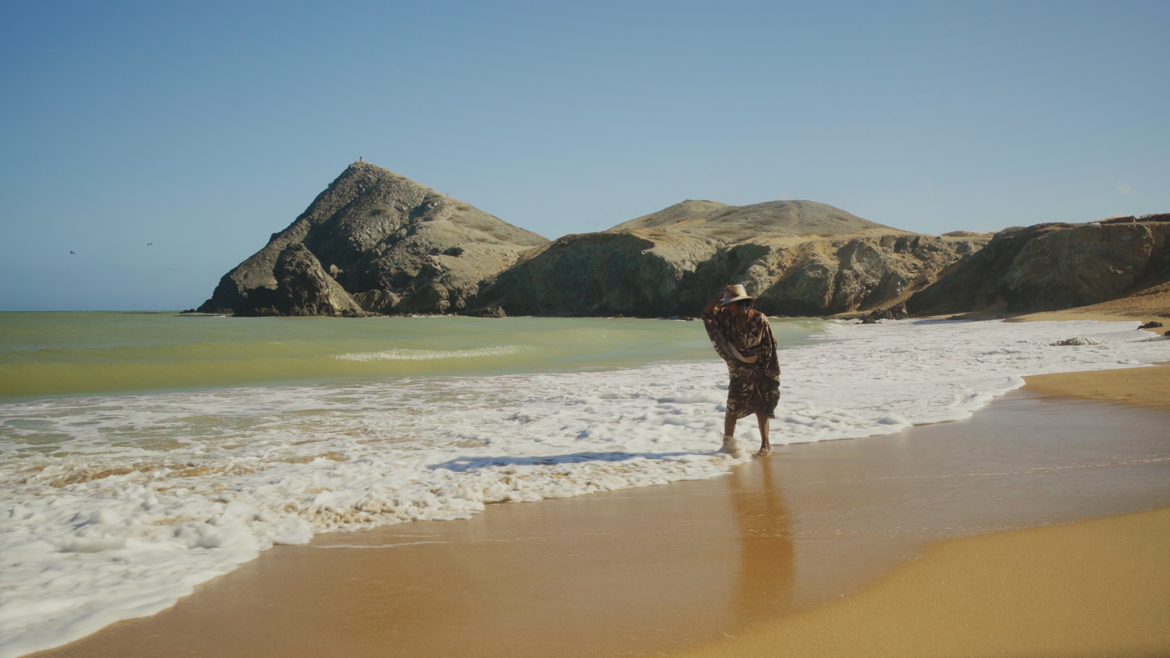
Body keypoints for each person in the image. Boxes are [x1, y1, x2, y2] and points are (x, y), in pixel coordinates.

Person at [702, 284, 781, 458]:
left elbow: (770, 346)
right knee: (732, 407)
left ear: (742, 303)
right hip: (737, 367)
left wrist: (763, 370)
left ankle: (765, 445)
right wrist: (718, 298)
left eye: (731, 304)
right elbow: (707, 314)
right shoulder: (726, 317)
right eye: (727, 305)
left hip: (760, 367)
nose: (728, 307)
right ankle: (726, 447)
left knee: (761, 406)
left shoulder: (760, 319)